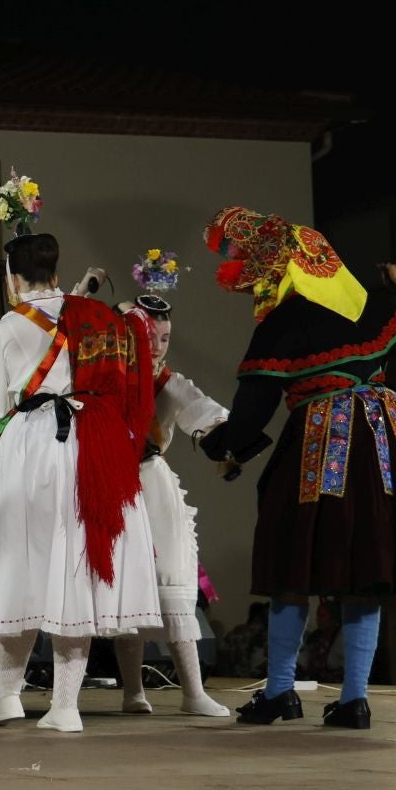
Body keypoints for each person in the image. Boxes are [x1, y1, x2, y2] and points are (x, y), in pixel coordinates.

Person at [197, 207, 396, 730]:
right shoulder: (370, 308)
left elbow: (252, 409)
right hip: (383, 441)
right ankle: (355, 699)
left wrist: (224, 447)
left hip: (319, 443)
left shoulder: (284, 323)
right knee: (366, 571)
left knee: (292, 566)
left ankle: (281, 691)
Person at [0, 232, 160, 734]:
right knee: (75, 567)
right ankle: (64, 703)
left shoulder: (5, 327)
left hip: (32, 447)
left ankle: (9, 695)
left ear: (12, 276)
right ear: (54, 272)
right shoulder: (93, 315)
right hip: (94, 444)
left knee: (21, 565)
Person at [107, 294, 231, 718]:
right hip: (110, 484)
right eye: (149, 336)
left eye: (164, 337)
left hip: (151, 481)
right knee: (125, 587)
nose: (158, 345)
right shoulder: (106, 376)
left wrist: (227, 442)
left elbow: (202, 409)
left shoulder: (167, 381)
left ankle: (193, 691)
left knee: (173, 580)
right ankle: (132, 691)